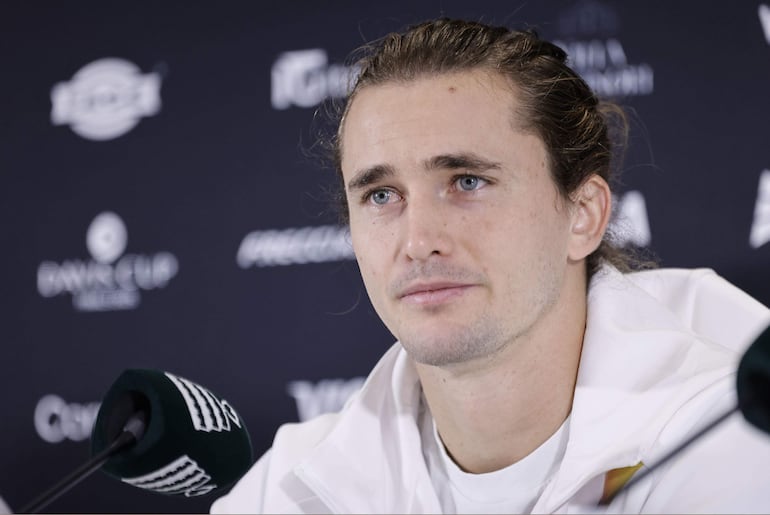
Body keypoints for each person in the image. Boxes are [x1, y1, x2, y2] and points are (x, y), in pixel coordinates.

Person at [211, 18, 770, 513]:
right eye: (382, 195)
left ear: (583, 215)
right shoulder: (294, 486)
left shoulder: (730, 444)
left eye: (467, 182)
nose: (419, 242)